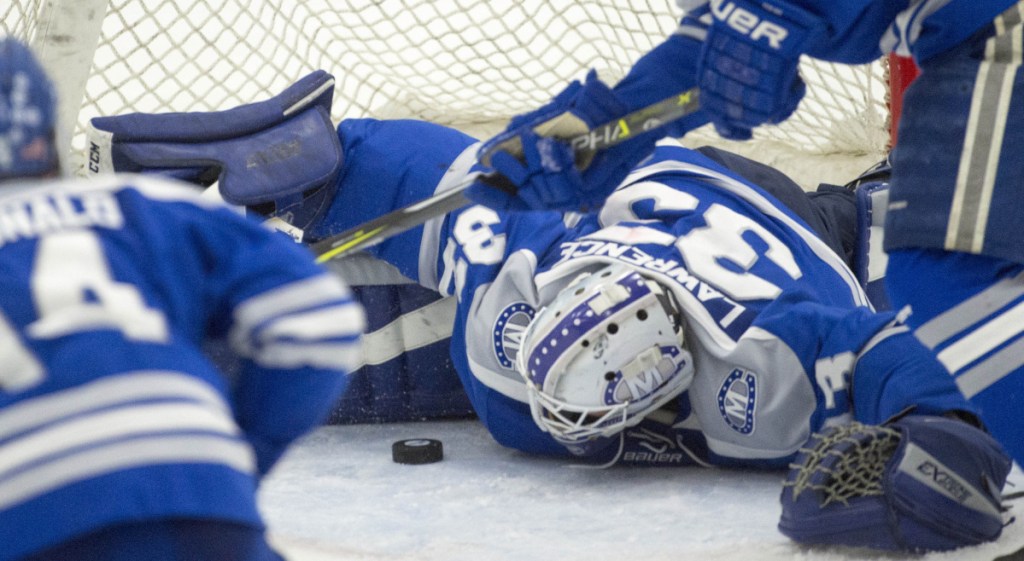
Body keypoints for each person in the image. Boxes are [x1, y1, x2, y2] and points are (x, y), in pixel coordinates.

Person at [88, 69, 1014, 552]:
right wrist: (306, 164)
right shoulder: (516, 271)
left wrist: (941, 430)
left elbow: (894, 355)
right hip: (659, 209)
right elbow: (419, 177)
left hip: (786, 224)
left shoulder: (771, 347)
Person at [463, 0, 1024, 474]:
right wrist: (592, 133)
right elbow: (698, 59)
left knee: (951, 277)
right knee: (933, 275)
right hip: (963, 34)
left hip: (989, 23)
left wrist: (788, 12)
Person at [0, 40, 366, 561]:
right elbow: (316, 319)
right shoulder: (141, 206)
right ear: (47, 139)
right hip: (199, 493)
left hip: (26, 520)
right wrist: (245, 451)